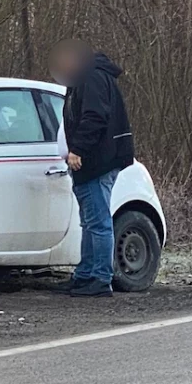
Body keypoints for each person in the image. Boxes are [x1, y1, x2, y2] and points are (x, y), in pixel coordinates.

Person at [50, 39, 134, 298]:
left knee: (97, 222)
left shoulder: (92, 78)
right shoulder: (84, 80)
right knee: (89, 222)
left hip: (97, 160)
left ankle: (100, 278)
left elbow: (94, 117)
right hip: (95, 160)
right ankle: (85, 274)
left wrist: (78, 150)